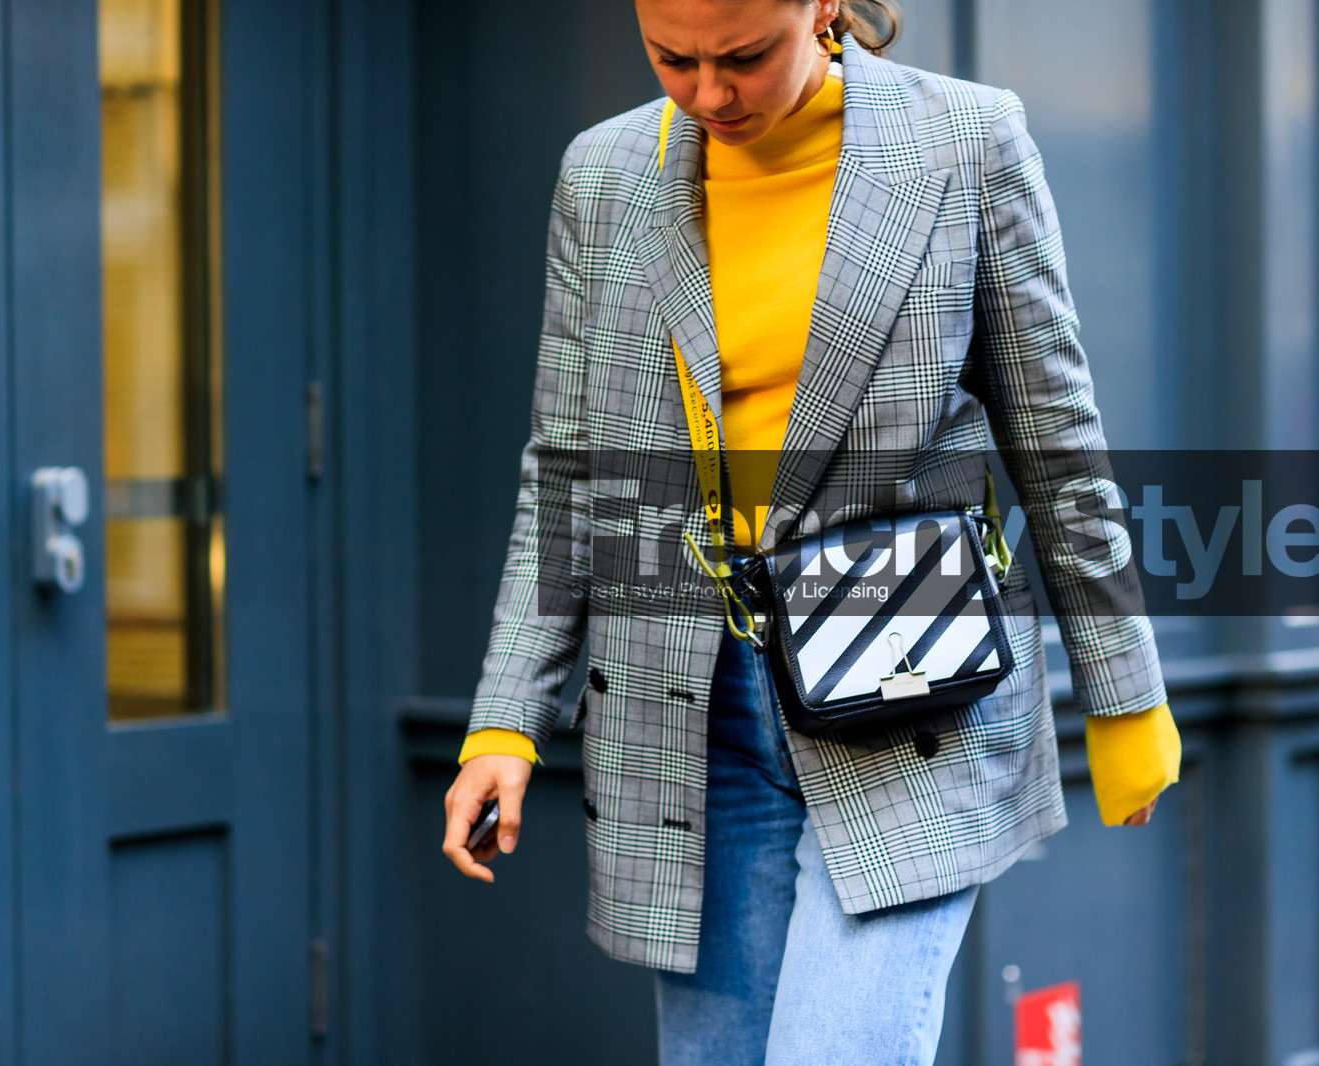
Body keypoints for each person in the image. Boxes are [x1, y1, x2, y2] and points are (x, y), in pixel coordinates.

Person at [441, 1, 1183, 1062]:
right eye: (671, 58)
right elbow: (568, 469)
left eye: (743, 56)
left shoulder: (961, 140)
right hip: (690, 717)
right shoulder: (601, 176)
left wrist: (1125, 694)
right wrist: (505, 720)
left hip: (908, 682)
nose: (706, 93)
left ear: (823, 7)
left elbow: (1054, 433)